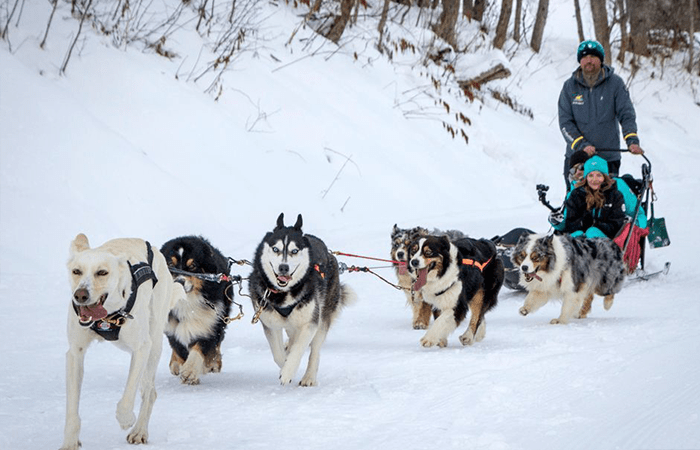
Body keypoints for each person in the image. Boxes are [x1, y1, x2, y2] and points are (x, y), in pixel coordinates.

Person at [558, 40, 644, 190]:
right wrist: (581, 145)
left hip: (608, 159)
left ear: (601, 60)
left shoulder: (615, 84)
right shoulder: (569, 87)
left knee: (608, 205)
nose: (589, 60)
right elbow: (565, 122)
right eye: (584, 57)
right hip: (578, 160)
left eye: (593, 56)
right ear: (580, 61)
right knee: (576, 205)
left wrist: (632, 140)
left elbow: (627, 114)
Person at [561, 156, 627, 239]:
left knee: (592, 232)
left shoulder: (615, 196)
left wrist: (595, 223)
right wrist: (582, 223)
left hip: (605, 241)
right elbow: (569, 223)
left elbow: (617, 225)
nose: (594, 179)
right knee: (576, 236)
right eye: (591, 175)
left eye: (599, 175)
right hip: (580, 240)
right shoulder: (576, 194)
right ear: (586, 177)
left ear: (605, 177)